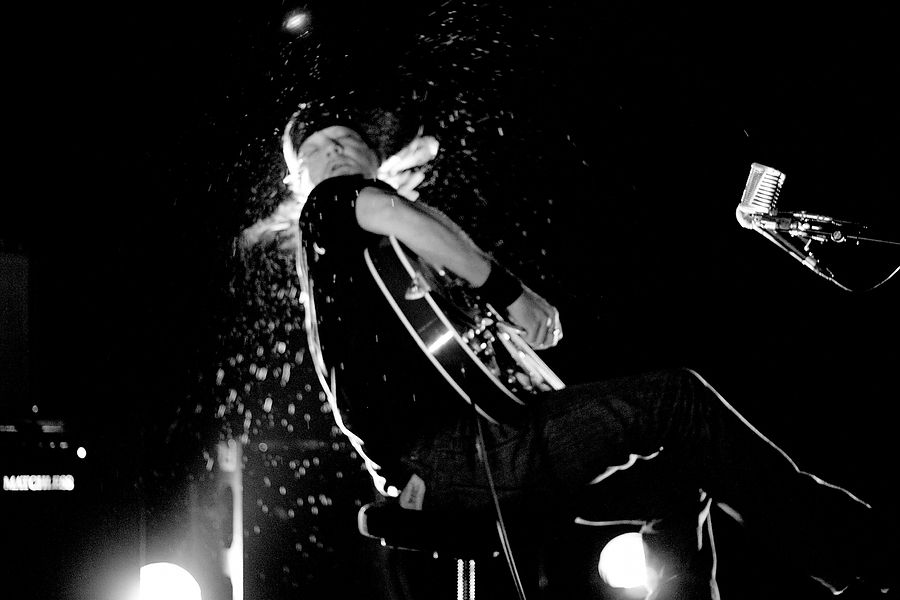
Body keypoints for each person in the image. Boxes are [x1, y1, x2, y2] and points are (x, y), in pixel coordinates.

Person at [251, 113, 890, 599]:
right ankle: (864, 558)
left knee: (678, 481)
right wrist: (511, 294)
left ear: (376, 157)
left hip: (455, 464)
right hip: (454, 457)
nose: (336, 151)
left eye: (347, 141)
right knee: (677, 399)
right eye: (317, 149)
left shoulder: (372, 268)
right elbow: (397, 212)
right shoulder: (329, 207)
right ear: (299, 182)